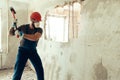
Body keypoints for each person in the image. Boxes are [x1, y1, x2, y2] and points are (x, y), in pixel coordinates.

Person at [9, 12, 44, 80]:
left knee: (39, 69)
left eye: (39, 21)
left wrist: (22, 34)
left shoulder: (39, 29)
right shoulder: (24, 27)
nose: (38, 23)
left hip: (33, 51)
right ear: (32, 20)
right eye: (37, 21)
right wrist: (13, 27)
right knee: (18, 70)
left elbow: (35, 37)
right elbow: (10, 34)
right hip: (22, 51)